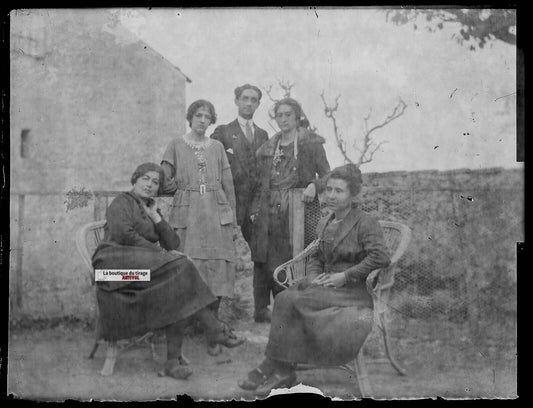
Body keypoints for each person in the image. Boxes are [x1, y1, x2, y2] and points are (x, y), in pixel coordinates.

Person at [238, 164, 391, 395]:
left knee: (291, 301)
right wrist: (314, 276)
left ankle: (275, 366)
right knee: (283, 297)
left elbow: (381, 256)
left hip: (353, 292)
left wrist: (345, 276)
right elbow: (318, 256)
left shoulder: (365, 222)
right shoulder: (326, 222)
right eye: (328, 189)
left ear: (353, 195)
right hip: (326, 286)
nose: (331, 195)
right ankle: (280, 367)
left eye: (339, 191)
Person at [92, 163, 245, 381]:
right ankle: (214, 328)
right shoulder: (121, 202)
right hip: (114, 274)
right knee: (181, 267)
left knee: (179, 287)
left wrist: (155, 216)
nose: (149, 185)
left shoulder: (150, 208)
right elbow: (124, 235)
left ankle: (173, 362)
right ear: (134, 180)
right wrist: (160, 254)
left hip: (142, 274)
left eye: (155, 182)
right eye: (145, 178)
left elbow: (173, 242)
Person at [161, 99, 243, 356]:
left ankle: (213, 334)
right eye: (198, 115)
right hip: (188, 212)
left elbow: (228, 183)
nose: (202, 120)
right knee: (190, 269)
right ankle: (208, 330)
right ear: (190, 117)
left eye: (207, 116)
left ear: (211, 121)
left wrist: (233, 216)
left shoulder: (217, 147)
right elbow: (164, 178)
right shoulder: (176, 144)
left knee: (217, 270)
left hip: (216, 213)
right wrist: (175, 188)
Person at [248, 97, 330, 323]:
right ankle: (266, 309)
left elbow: (327, 174)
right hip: (269, 207)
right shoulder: (267, 148)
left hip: (299, 207)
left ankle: (297, 307)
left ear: (296, 117)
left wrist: (314, 185)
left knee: (297, 256)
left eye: (288, 115)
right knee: (266, 257)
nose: (283, 119)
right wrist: (255, 209)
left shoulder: (310, 143)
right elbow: (259, 182)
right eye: (279, 116)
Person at [210, 84, 269, 244]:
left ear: (258, 104)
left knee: (257, 254)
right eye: (245, 99)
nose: (249, 103)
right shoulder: (223, 131)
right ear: (236, 101)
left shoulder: (263, 135)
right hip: (231, 204)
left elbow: (265, 172)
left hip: (256, 208)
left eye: (253, 100)